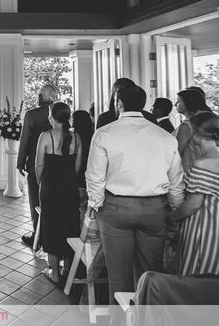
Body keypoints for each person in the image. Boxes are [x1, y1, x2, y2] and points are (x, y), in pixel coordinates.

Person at [85, 84, 184, 301]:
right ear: (143, 105)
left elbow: (95, 176)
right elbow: (176, 182)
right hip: (154, 209)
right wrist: (175, 208)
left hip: (116, 209)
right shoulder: (166, 137)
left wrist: (95, 204)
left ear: (118, 103)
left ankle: (119, 320)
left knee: (119, 278)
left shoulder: (104, 134)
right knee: (149, 274)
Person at [169, 111, 219, 275]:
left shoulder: (203, 162)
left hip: (202, 232)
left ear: (196, 131)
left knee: (194, 279)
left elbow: (193, 204)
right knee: (208, 282)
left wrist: (170, 218)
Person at [34, 102, 82, 284]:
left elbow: (39, 165)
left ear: (52, 117)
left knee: (51, 227)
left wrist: (41, 183)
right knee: (70, 226)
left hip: (50, 188)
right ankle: (67, 269)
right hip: (69, 188)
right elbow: (77, 166)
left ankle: (54, 272)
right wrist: (68, 181)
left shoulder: (45, 136)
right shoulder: (76, 137)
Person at [16, 84, 56, 247]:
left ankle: (37, 236)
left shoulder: (32, 115)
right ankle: (51, 233)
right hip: (55, 165)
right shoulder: (59, 113)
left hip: (34, 165)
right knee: (52, 201)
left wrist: (20, 163)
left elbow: (24, 140)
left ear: (41, 97)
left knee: (35, 201)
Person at [174, 88, 212, 172]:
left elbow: (176, 153)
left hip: (190, 169)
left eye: (178, 102)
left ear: (188, 104)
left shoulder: (186, 126)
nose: (175, 104)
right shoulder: (206, 121)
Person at [71, 109, 94, 190]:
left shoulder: (74, 137)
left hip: (78, 171)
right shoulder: (92, 135)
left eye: (73, 118)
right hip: (90, 171)